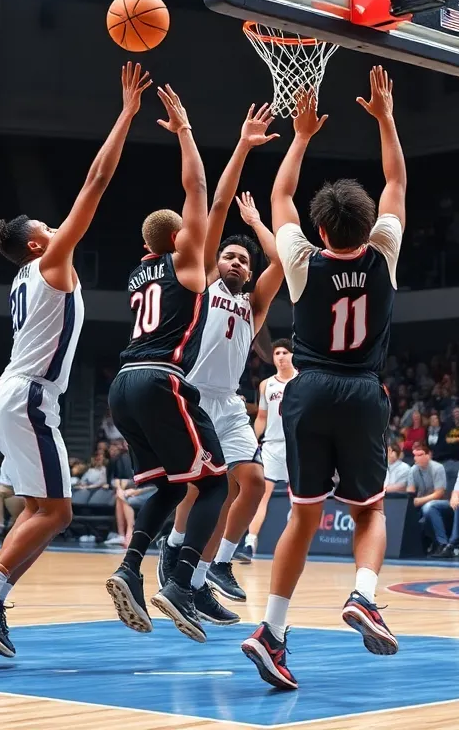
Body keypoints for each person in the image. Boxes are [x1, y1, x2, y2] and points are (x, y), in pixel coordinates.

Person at [0, 63, 150, 658]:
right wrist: (126, 115)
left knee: (41, 509)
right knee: (59, 512)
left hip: (12, 399)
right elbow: (95, 182)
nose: (55, 223)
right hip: (29, 397)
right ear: (39, 241)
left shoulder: (23, 274)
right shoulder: (50, 261)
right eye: (47, 225)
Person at [241, 69, 405, 691]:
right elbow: (395, 180)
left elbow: (281, 199)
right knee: (369, 512)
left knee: (301, 518)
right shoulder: (385, 248)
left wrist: (302, 136)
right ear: (367, 227)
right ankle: (363, 595)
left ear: (322, 229)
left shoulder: (302, 261)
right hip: (361, 390)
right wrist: (384, 117)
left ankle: (272, 631)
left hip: (305, 392)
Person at [103, 80, 233, 643]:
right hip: (161, 379)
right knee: (215, 486)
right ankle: (181, 582)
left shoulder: (140, 272)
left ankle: (129, 571)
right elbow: (198, 187)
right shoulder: (185, 266)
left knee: (170, 487)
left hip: (122, 386)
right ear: (180, 239)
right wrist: (184, 130)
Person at [159, 106, 283, 608]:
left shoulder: (254, 302)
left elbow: (281, 261)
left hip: (228, 402)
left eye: (242, 259)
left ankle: (216, 566)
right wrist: (244, 147)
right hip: (190, 395)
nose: (235, 261)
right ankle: (176, 556)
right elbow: (217, 204)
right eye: (230, 256)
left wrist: (256, 222)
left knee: (249, 485)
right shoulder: (205, 286)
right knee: (202, 492)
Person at [245, 338, 297, 560]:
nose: (282, 356)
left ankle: (291, 546)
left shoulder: (303, 380)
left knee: (297, 500)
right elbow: (262, 418)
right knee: (261, 496)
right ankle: (249, 544)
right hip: (272, 447)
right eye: (277, 353)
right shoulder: (266, 384)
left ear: (292, 355)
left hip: (297, 446)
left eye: (285, 352)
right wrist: (251, 441)